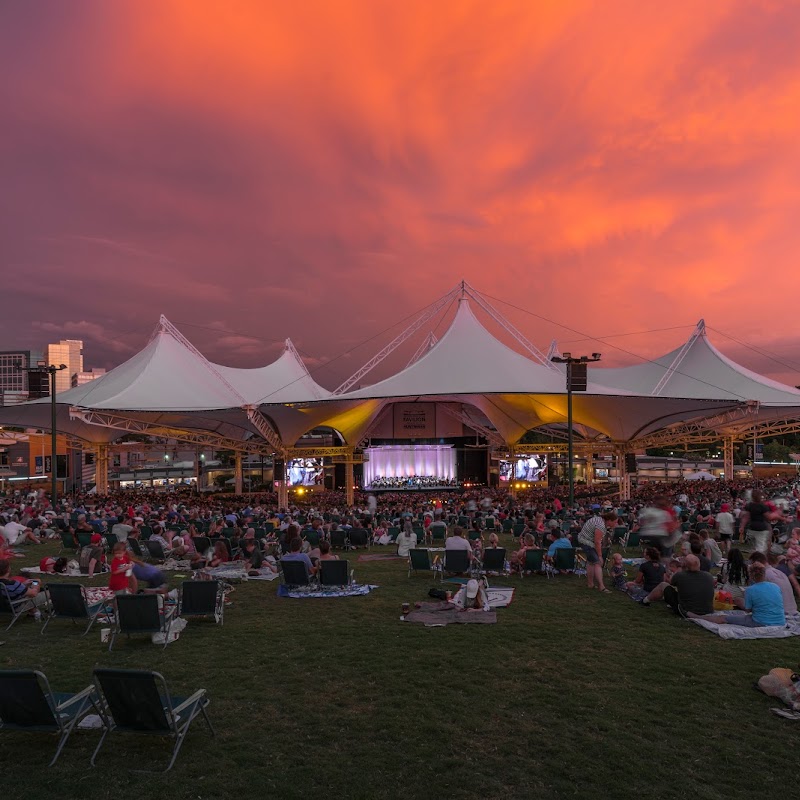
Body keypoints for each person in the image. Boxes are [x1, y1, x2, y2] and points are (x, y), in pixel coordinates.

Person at [688, 563, 785, 627]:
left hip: (761, 622)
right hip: (780, 621)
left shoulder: (751, 590)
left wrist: (740, 602)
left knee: (723, 618)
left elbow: (748, 610)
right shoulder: (775, 586)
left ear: (751, 575)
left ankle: (698, 617)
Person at [577, 511, 617, 592]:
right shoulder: (601, 526)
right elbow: (597, 542)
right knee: (598, 562)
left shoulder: (599, 520)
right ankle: (601, 587)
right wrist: (600, 556)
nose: (616, 524)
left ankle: (590, 584)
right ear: (609, 520)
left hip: (583, 539)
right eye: (615, 522)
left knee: (591, 563)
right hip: (586, 542)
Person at [749, 551, 798, 615]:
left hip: (781, 612)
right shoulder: (779, 573)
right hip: (792, 609)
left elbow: (758, 598)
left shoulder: (764, 575)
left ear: (756, 563)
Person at [739, 490, 779, 555]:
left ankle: (756, 560)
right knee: (761, 548)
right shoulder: (763, 506)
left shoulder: (749, 505)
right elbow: (769, 517)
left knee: (755, 547)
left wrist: (742, 526)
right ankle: (761, 561)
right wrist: (778, 514)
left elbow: (746, 517)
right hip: (761, 529)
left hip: (752, 528)